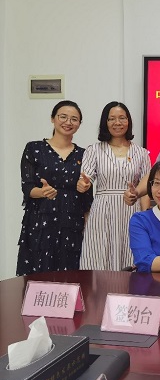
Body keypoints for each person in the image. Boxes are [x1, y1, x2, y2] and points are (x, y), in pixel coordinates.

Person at [17, 100, 93, 275]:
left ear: (79, 124)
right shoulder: (34, 148)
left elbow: (87, 198)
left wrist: (85, 187)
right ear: (53, 118)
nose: (68, 122)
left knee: (71, 276)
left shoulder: (85, 154)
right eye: (63, 117)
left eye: (74, 119)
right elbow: (27, 187)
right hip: (41, 221)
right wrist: (42, 192)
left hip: (72, 223)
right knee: (39, 276)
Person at [78, 101, 151, 270]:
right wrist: (83, 184)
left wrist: (145, 216)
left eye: (122, 118)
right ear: (105, 122)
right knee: (99, 256)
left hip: (131, 210)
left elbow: (146, 188)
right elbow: (85, 179)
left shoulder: (141, 153)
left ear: (128, 121)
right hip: (102, 210)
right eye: (112, 119)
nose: (117, 123)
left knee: (130, 255)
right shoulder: (94, 150)